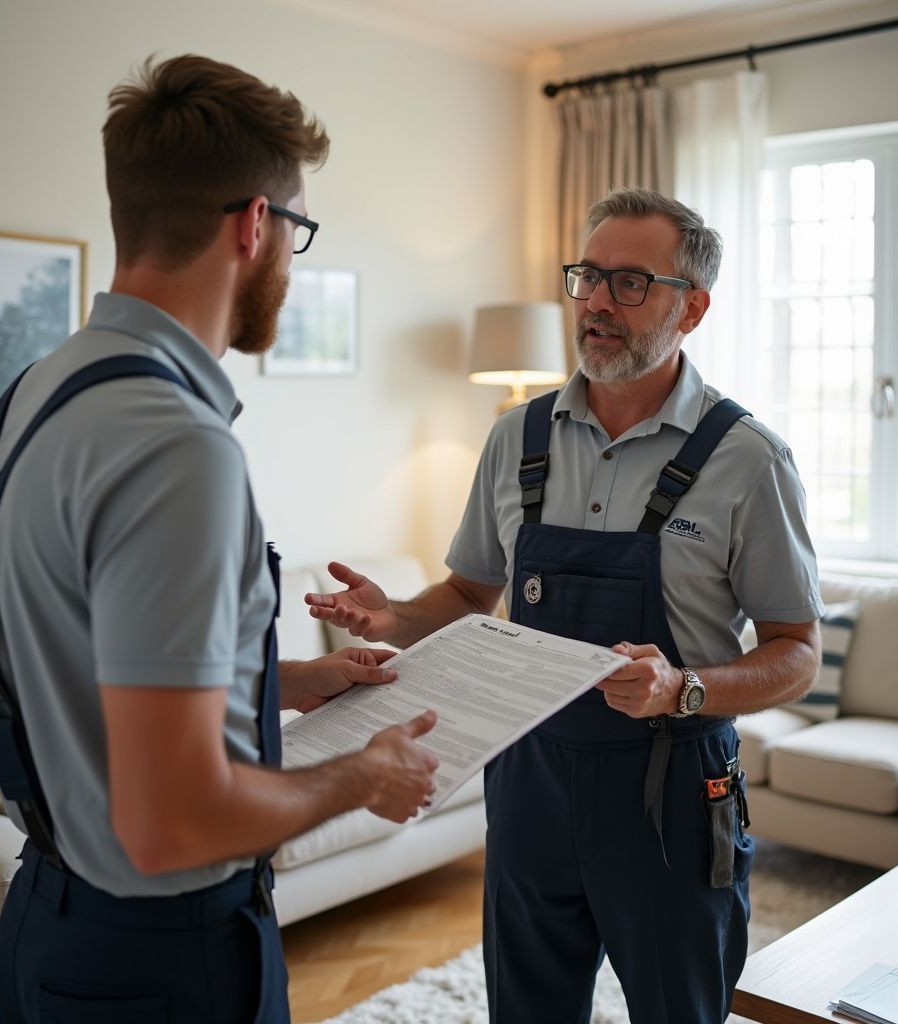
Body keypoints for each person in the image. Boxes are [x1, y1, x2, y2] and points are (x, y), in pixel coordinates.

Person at [0, 54, 438, 1024]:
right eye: (296, 231)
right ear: (257, 224)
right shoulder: (180, 448)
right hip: (163, 966)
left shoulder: (18, 410)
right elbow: (172, 822)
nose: (288, 261)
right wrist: (360, 773)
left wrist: (288, 682)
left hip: (43, 929)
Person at [305, 188, 824, 1023]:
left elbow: (798, 650)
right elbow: (473, 594)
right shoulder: (517, 437)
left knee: (679, 1008)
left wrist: (684, 686)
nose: (594, 303)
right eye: (587, 277)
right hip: (529, 778)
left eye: (629, 283)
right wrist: (393, 617)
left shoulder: (750, 459)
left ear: (690, 308)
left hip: (673, 792)